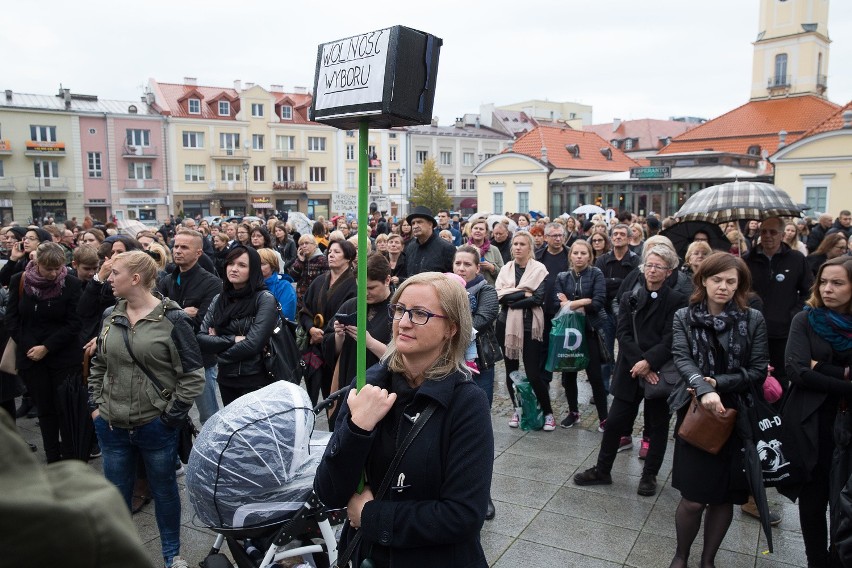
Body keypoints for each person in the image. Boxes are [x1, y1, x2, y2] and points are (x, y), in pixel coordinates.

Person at [314, 272, 493, 568]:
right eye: (399, 310)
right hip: (366, 557)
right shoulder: (369, 386)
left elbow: (464, 515)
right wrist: (358, 429)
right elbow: (328, 491)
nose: (404, 322)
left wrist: (372, 516)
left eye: (420, 313)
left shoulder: (465, 402)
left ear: (451, 328)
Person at [88, 250, 205, 568]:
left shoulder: (173, 319)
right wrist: (95, 405)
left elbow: (193, 376)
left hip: (154, 425)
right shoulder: (111, 315)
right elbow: (99, 363)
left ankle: (172, 555)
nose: (109, 279)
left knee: (164, 490)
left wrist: (169, 418)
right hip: (111, 425)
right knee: (116, 493)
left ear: (135, 279)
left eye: (115, 273)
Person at [667, 252, 768, 568]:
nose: (722, 287)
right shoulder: (684, 316)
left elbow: (758, 370)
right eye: (716, 279)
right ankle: (681, 556)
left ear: (740, 285)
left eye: (730, 281)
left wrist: (720, 383)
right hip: (697, 413)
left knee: (724, 497)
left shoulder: (752, 319)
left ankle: (707, 561)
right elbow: (682, 358)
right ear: (703, 280)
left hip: (737, 416)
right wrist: (705, 388)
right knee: (694, 499)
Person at [573, 245, 687, 496]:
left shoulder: (678, 300)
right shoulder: (630, 296)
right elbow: (623, 333)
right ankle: (603, 469)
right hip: (631, 368)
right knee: (614, 422)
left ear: (668, 272)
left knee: (657, 426)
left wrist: (650, 363)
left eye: (658, 266)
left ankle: (649, 476)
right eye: (649, 265)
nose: (652, 270)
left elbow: (671, 338)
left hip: (659, 371)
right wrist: (641, 364)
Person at [784, 256, 852, 567]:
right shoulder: (806, 319)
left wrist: (820, 367)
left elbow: (811, 370)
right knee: (813, 498)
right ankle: (816, 560)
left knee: (844, 499)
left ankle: (840, 557)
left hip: (847, 427)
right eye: (823, 282)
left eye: (837, 283)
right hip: (812, 422)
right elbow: (797, 370)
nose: (827, 289)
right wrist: (844, 377)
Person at [6, 242, 82, 463]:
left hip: (63, 357)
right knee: (45, 410)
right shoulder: (19, 280)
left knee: (65, 410)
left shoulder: (71, 283)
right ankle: (52, 458)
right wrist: (31, 347)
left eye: (58, 268)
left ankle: (70, 459)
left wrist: (47, 347)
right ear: (36, 263)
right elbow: (13, 319)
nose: (54, 273)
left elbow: (74, 323)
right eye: (48, 268)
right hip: (32, 358)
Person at [197, 246, 279, 406]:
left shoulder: (264, 299)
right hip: (226, 379)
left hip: (255, 379)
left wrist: (218, 354)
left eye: (242, 265)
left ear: (253, 270)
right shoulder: (219, 300)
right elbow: (201, 339)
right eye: (230, 263)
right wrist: (233, 339)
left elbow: (253, 344)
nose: (234, 269)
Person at [157, 229, 223, 425]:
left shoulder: (212, 283)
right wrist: (183, 313)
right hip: (168, 357)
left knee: (209, 416)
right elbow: (154, 316)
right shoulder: (167, 280)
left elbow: (202, 324)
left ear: (198, 253)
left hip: (199, 360)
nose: (177, 251)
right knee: (169, 414)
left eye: (184, 247)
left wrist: (169, 313)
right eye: (176, 246)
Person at [322, 253, 392, 426]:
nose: (365, 294)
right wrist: (339, 336)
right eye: (361, 288)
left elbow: (402, 356)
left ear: (387, 280)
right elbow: (331, 349)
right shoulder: (351, 304)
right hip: (347, 383)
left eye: (371, 288)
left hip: (381, 390)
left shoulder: (397, 309)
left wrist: (369, 342)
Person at [745, 216, 813, 392]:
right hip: (751, 329)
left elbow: (809, 290)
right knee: (753, 374)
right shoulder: (747, 260)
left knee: (780, 375)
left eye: (772, 232)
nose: (767, 236)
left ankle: (779, 415)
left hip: (782, 330)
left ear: (783, 235)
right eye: (763, 231)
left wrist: (794, 314)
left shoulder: (796, 259)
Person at [495, 231, 555, 430]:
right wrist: (523, 293)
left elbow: (538, 299)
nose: (518, 247)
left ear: (530, 247)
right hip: (507, 326)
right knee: (511, 371)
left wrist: (512, 297)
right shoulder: (505, 269)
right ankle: (517, 409)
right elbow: (500, 297)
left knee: (533, 373)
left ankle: (547, 412)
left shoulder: (539, 269)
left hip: (531, 326)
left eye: (522, 244)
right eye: (515, 244)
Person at [555, 239, 609, 430]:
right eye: (576, 253)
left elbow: (598, 302)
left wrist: (572, 303)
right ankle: (573, 412)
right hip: (569, 333)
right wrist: (583, 301)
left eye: (583, 253)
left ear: (590, 256)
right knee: (568, 375)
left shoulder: (596, 274)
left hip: (590, 331)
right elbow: (557, 303)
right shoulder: (563, 276)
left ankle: (604, 417)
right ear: (570, 256)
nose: (579, 256)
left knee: (595, 376)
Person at [299, 240, 357, 404]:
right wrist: (311, 329)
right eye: (330, 251)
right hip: (315, 344)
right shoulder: (319, 281)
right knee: (311, 395)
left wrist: (324, 334)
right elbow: (305, 310)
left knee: (335, 398)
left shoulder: (354, 284)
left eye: (337, 252)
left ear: (348, 258)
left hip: (338, 346)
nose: (331, 254)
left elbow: (349, 314)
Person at [404, 206, 456, 275]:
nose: (415, 226)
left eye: (419, 222)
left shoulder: (446, 248)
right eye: (413, 223)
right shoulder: (410, 247)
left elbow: (453, 277)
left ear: (430, 224)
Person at [289, 234, 329, 314]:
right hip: (301, 299)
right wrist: (300, 261)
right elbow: (293, 276)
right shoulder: (301, 259)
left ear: (314, 245)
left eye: (306, 243)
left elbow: (326, 281)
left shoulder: (322, 260)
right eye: (301, 244)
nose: (304, 246)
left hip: (316, 299)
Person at [257, 247, 297, 321]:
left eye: (262, 264)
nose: (258, 267)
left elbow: (286, 315)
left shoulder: (284, 286)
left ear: (272, 266)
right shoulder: (250, 285)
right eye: (256, 263)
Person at [465, 218, 504, 287]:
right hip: (467, 288)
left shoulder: (494, 250)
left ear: (486, 233)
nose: (478, 231)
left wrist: (492, 267)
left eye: (481, 229)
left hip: (489, 289)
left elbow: (503, 274)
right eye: (475, 228)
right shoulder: (463, 249)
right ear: (471, 231)